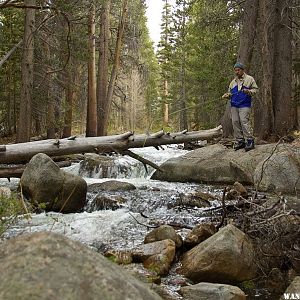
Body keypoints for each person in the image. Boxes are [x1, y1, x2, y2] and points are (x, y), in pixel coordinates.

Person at [222, 62, 258, 151]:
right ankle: (240, 141)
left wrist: (248, 91)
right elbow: (230, 93)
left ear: (242, 70)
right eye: (235, 70)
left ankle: (249, 140)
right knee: (235, 122)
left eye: (238, 70)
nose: (237, 72)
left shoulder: (249, 79)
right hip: (234, 105)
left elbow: (255, 90)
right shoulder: (233, 82)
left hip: (245, 104)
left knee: (244, 121)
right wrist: (227, 95)